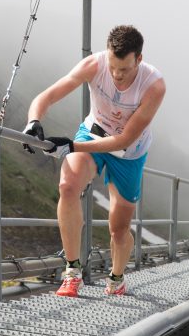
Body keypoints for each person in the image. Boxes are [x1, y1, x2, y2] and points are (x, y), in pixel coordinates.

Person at [23, 25, 166, 297]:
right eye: (112, 67)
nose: (116, 75)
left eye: (124, 70)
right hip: (92, 135)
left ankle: (117, 277)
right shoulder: (94, 64)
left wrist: (70, 145)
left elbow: (123, 140)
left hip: (128, 153)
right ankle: (72, 271)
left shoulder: (154, 85)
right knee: (68, 186)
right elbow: (47, 96)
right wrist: (33, 122)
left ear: (139, 59)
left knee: (119, 229)